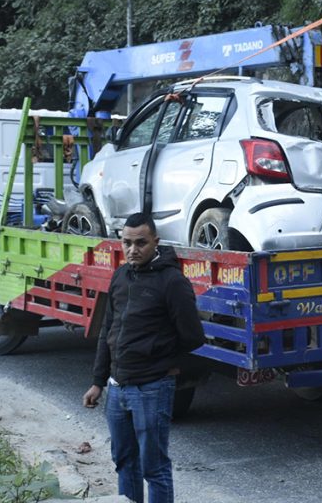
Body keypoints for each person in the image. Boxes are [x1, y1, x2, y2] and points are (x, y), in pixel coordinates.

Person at [83, 213, 205, 503]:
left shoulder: (172, 281)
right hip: (117, 387)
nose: (132, 249)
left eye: (141, 243)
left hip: (152, 388)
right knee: (125, 462)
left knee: (155, 468)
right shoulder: (120, 276)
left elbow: (193, 336)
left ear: (155, 242)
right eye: (126, 242)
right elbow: (108, 331)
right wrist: (98, 382)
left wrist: (161, 362)